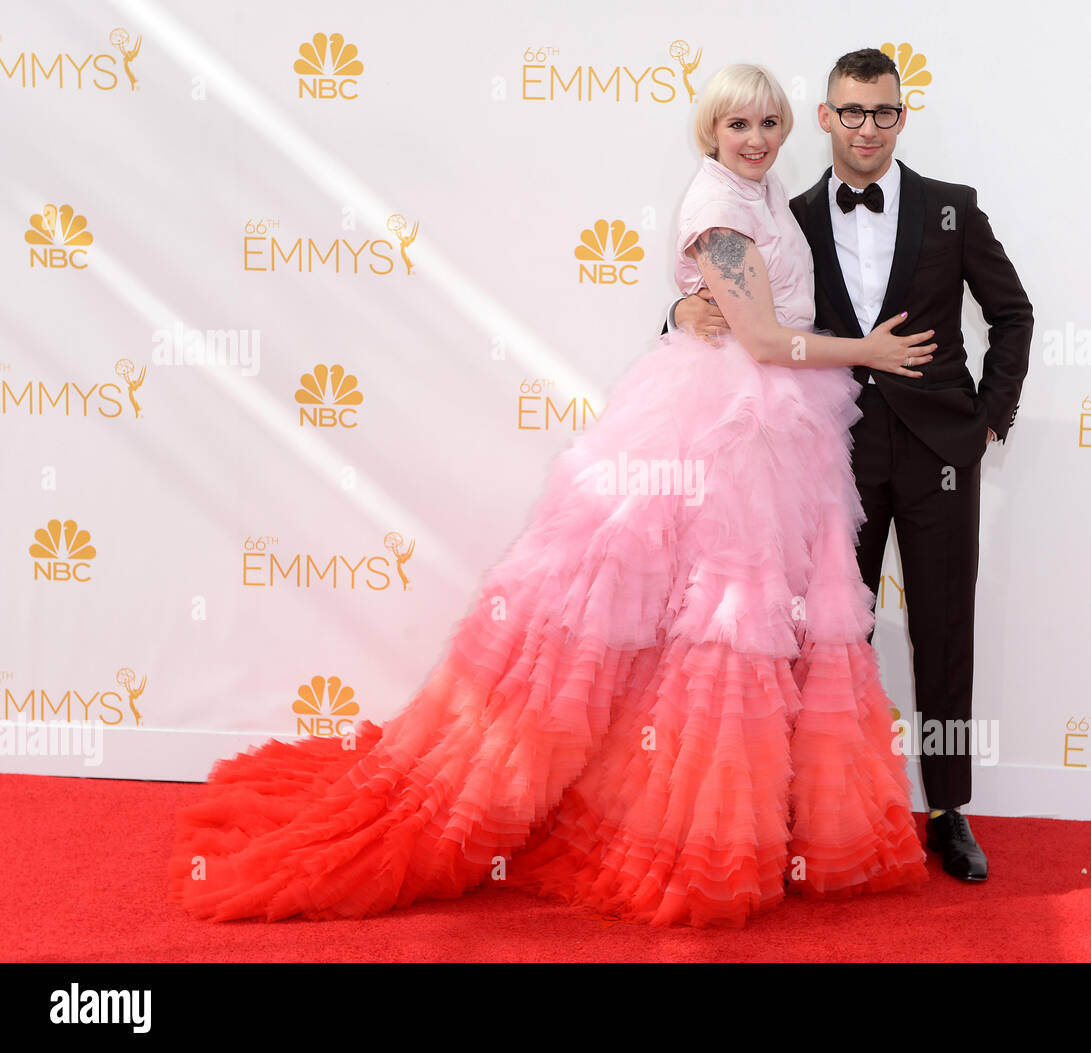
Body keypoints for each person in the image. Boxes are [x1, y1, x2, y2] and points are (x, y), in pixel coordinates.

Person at [166, 63, 936, 930]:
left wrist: (694, 312)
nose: (755, 139)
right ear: (710, 133)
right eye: (737, 127)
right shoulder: (718, 209)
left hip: (774, 427)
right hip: (726, 423)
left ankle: (720, 817)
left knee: (714, 627)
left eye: (767, 123)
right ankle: (686, 836)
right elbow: (760, 337)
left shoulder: (762, 192)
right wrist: (865, 353)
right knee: (714, 618)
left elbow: (746, 310)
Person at [673, 49, 1033, 882]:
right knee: (832, 635)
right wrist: (679, 306)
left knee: (946, 632)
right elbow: (750, 308)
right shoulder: (785, 211)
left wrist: (987, 421)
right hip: (835, 452)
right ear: (828, 118)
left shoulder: (952, 209)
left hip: (944, 451)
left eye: (883, 111)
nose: (867, 126)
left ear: (901, 118)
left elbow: (1011, 314)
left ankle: (948, 812)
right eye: (851, 111)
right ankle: (822, 809)